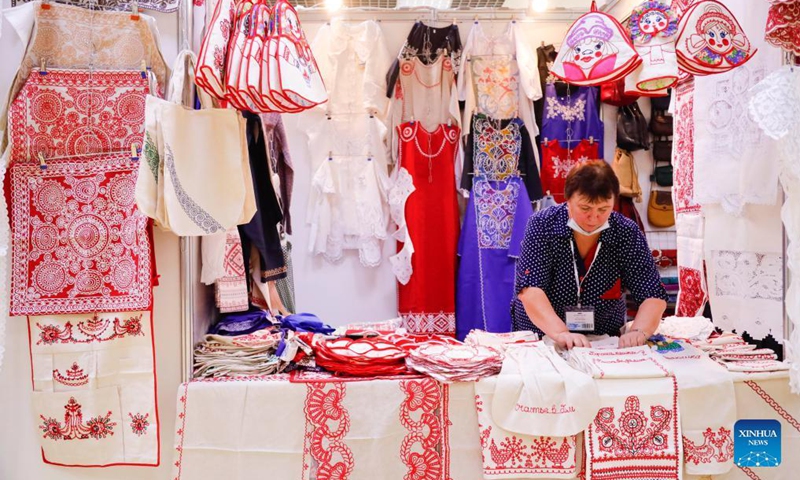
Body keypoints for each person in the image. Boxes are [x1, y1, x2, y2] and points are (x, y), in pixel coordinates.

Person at [512, 160, 668, 349]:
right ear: (567, 199)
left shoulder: (626, 232)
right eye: (585, 208)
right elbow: (531, 290)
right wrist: (561, 333)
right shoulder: (543, 225)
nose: (594, 218)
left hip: (604, 339)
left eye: (603, 209)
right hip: (544, 334)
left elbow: (652, 293)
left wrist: (639, 331)